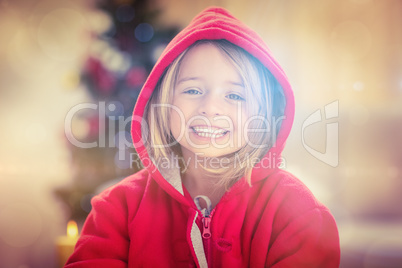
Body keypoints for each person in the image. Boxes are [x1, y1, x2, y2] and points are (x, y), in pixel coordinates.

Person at [65, 6, 340, 268]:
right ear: (164, 103)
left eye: (235, 95)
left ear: (264, 115)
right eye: (193, 90)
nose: (210, 107)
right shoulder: (117, 210)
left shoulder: (299, 214)